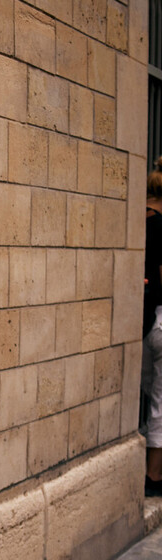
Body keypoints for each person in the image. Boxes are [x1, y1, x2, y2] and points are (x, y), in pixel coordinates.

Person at [144, 157, 162, 496]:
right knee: (160, 402)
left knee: (146, 394)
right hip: (159, 319)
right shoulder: (161, 225)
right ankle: (154, 476)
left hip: (138, 319)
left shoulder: (136, 216)